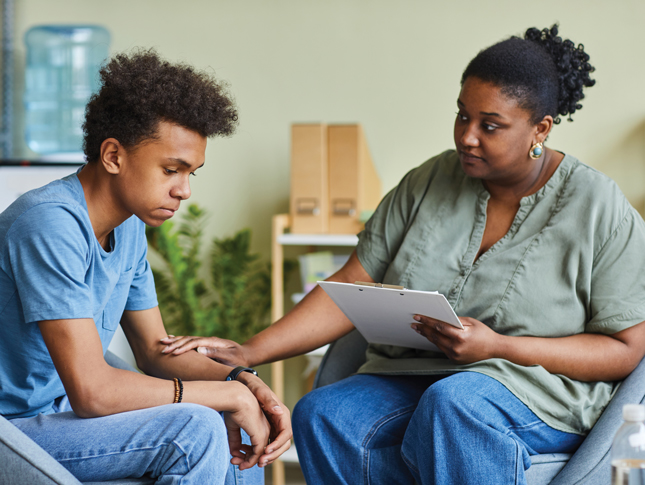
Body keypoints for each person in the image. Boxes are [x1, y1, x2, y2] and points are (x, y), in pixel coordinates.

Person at [161, 25, 645, 485]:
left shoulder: (597, 207)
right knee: (323, 414)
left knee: (455, 403)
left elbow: (627, 349)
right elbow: (354, 282)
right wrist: (250, 351)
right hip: (419, 376)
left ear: (540, 129)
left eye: (490, 126)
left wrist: (498, 346)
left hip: (539, 393)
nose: (467, 136)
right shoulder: (428, 181)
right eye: (462, 115)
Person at [0, 50, 291, 484]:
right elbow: (92, 392)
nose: (185, 190)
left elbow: (155, 350)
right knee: (197, 429)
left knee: (240, 432)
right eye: (171, 169)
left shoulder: (129, 228)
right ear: (114, 156)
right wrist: (222, 395)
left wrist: (244, 382)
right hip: (13, 427)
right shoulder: (48, 223)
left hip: (57, 414)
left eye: (192, 173)